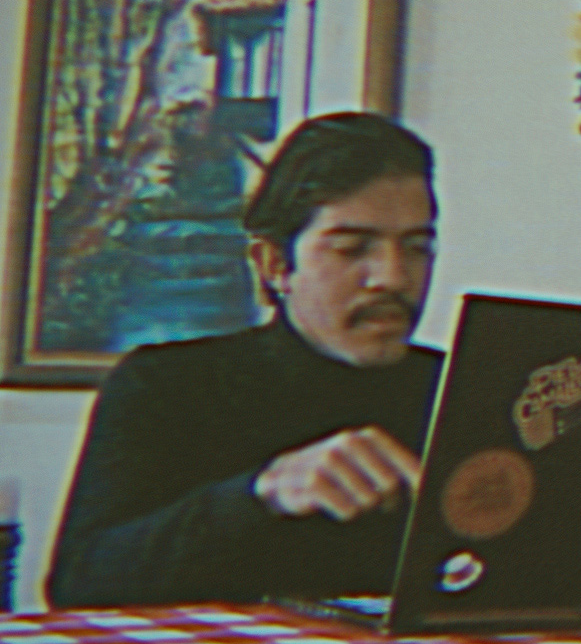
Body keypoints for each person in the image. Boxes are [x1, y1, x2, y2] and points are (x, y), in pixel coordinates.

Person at [47, 112, 442, 608]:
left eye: (417, 248)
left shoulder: (467, 390)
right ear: (274, 264)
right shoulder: (165, 386)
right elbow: (78, 584)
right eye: (351, 248)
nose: (393, 277)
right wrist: (261, 493)